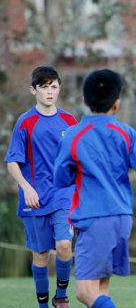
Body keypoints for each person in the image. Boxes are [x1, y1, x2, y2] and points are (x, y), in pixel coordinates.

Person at [52, 69, 136, 308]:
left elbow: (60, 178)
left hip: (94, 218)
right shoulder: (126, 133)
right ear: (117, 104)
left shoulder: (74, 135)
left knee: (84, 291)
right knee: (100, 289)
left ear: (85, 101)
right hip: (122, 219)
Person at [5, 66, 78, 308]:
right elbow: (12, 162)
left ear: (59, 88)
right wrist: (26, 187)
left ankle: (61, 295)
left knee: (65, 245)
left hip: (63, 195)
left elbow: (78, 158)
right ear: (33, 90)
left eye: (54, 87)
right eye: (44, 87)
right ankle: (43, 305)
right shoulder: (25, 123)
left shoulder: (69, 120)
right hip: (34, 198)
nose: (49, 92)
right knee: (41, 255)